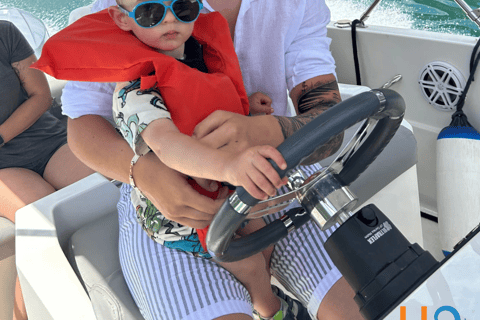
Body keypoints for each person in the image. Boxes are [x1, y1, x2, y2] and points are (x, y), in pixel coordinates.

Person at [59, 0, 365, 319]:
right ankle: (271, 306)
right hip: (165, 197)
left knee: (360, 308)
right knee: (245, 262)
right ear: (123, 20)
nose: (168, 20)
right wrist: (141, 171)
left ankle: (269, 302)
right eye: (150, 14)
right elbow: (83, 127)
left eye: (183, 8)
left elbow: (328, 122)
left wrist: (265, 127)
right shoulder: (126, 53)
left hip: (281, 165)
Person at [0, 20, 94, 320]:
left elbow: (41, 95)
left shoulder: (5, 33)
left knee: (104, 196)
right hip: (3, 168)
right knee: (45, 226)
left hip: (48, 141)